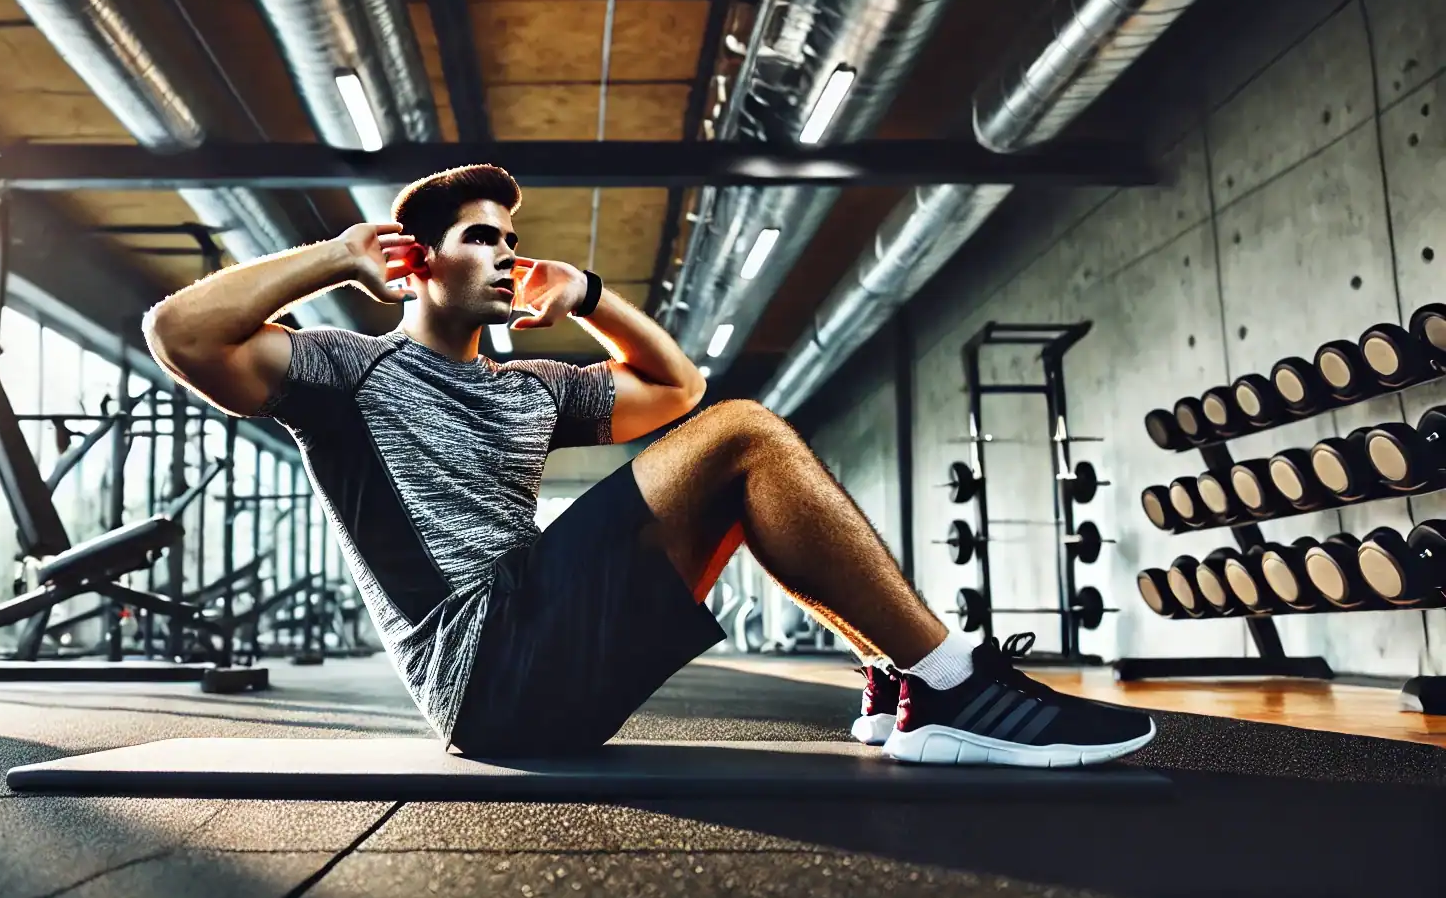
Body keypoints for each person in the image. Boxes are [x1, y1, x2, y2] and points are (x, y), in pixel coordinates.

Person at [143, 164, 1155, 767]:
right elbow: (178, 331)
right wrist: (335, 255)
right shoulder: (343, 372)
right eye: (482, 239)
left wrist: (584, 292)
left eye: (511, 239)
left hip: (537, 645)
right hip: (484, 670)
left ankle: (908, 680)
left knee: (739, 458)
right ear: (416, 258)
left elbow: (675, 388)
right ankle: (953, 682)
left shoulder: (530, 387)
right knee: (748, 435)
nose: (504, 255)